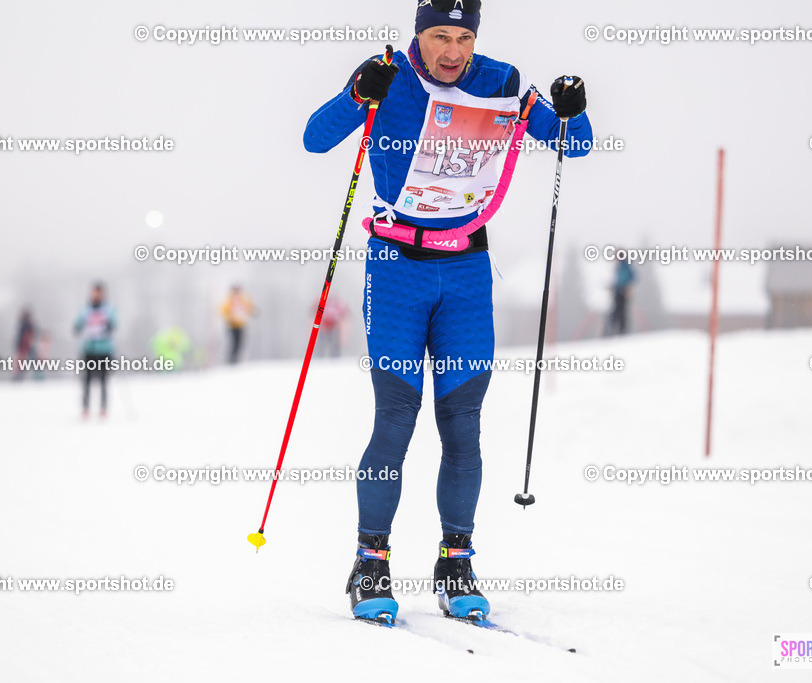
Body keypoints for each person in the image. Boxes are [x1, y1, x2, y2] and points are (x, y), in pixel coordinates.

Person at [304, 0, 593, 624]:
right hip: (397, 269)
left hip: (465, 272)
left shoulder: (501, 82)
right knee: (396, 417)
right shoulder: (387, 75)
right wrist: (358, 95)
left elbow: (578, 143)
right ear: (419, 33)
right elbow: (314, 137)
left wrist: (572, 106)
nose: (453, 51)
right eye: (440, 35)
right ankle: (370, 560)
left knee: (463, 423)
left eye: (463, 37)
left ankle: (455, 558)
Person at [73, 282, 116, 419]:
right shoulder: (85, 309)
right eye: (94, 292)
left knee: (104, 380)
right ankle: (85, 408)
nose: (96, 295)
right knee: (86, 380)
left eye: (98, 292)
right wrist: (79, 327)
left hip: (104, 349)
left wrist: (109, 325)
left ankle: (103, 408)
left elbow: (115, 324)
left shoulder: (108, 309)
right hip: (89, 349)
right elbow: (77, 325)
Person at [219, 285, 255, 364]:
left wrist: (253, 311)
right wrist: (228, 317)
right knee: (234, 342)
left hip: (240, 324)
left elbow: (249, 307)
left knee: (239, 342)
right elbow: (223, 310)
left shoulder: (241, 299)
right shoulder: (230, 300)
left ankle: (235, 359)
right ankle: (232, 359)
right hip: (232, 324)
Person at [605, 258, 635, 336]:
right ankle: (617, 329)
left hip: (622, 292)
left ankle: (619, 330)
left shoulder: (624, 266)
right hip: (618, 291)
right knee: (618, 311)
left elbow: (630, 277)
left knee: (619, 311)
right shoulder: (620, 266)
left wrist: (624, 286)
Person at [13, 308, 37, 381]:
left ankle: (18, 377)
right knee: (26, 363)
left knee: (27, 362)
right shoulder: (25, 325)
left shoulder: (25, 325)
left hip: (26, 347)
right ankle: (18, 377)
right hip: (25, 347)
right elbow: (21, 337)